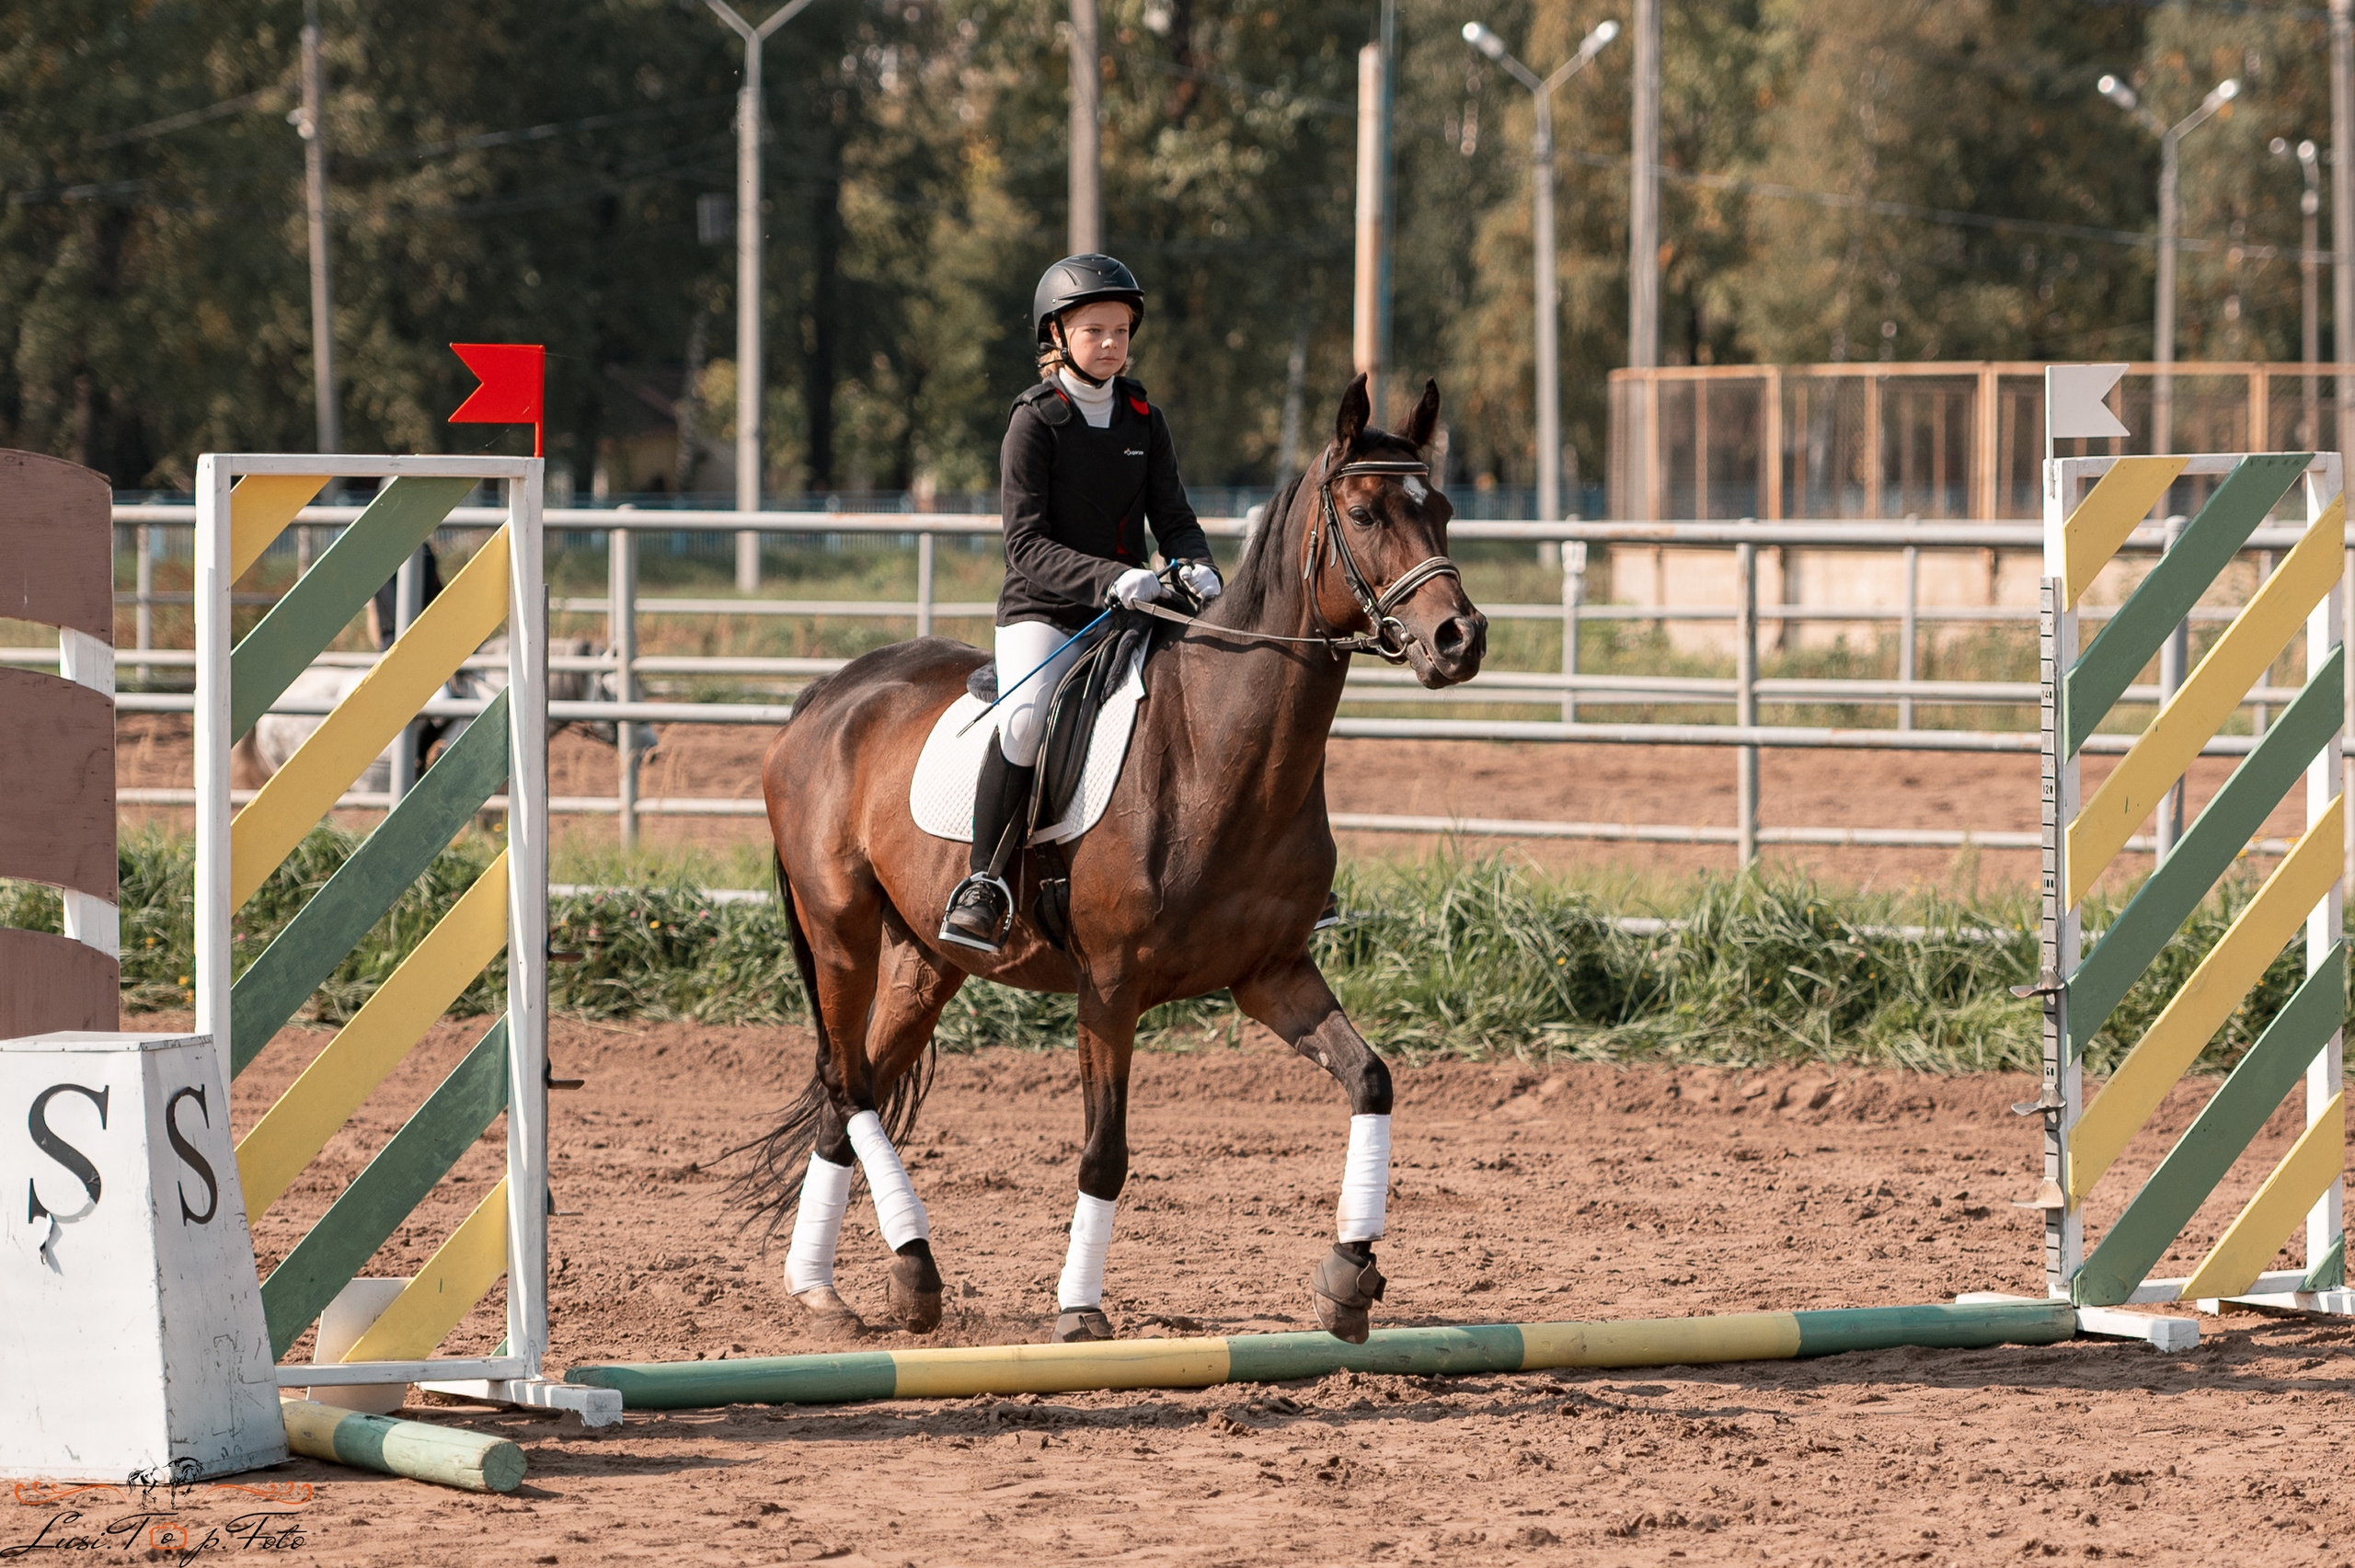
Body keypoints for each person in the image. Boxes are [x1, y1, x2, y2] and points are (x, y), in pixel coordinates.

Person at [937, 254, 1222, 954]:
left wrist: (1201, 565)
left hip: (1132, 606)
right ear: (1057, 337)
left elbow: (1174, 517)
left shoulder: (1143, 418)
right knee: (1028, 719)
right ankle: (985, 881)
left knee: (1215, 694)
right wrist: (1109, 579)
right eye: (1095, 330)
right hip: (1044, 610)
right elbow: (1025, 545)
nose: (1112, 344)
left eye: (1122, 330)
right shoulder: (1034, 422)